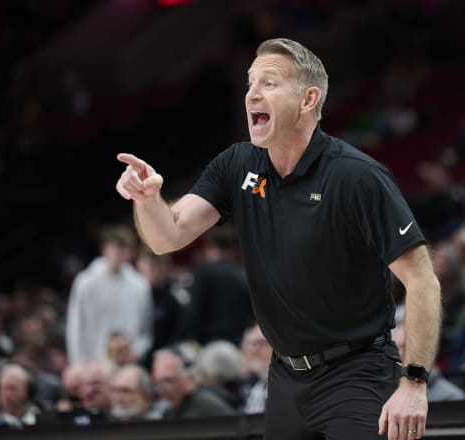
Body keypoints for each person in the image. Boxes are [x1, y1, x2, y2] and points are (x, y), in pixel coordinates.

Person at [116, 37, 441, 440]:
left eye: (268, 83)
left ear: (308, 99)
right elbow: (168, 237)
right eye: (250, 83)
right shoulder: (237, 164)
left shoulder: (357, 177)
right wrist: (147, 200)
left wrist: (413, 382)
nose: (252, 93)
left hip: (357, 372)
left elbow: (423, 280)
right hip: (285, 377)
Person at [65, 225, 154, 364]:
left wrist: (136, 353)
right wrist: (78, 361)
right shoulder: (86, 282)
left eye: (125, 248)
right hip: (92, 360)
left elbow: (146, 329)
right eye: (116, 247)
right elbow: (76, 325)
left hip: (127, 361)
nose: (120, 253)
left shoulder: (140, 286)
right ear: (105, 249)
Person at [150, 349, 234, 419]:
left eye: (168, 381)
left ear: (189, 381)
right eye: (157, 382)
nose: (160, 388)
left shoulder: (204, 407)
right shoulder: (168, 410)